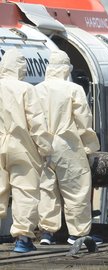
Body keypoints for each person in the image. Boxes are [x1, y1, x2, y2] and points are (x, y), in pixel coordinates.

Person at [35, 50, 101, 246]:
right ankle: (77, 234)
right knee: (76, 189)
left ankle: (47, 233)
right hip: (69, 146)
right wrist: (90, 146)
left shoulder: (36, 90)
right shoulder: (74, 90)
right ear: (67, 69)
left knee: (47, 190)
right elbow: (83, 122)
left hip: (43, 146)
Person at [0, 48, 53, 253]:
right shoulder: (26, 89)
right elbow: (37, 124)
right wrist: (46, 150)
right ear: (21, 68)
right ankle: (22, 239)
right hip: (22, 147)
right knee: (25, 191)